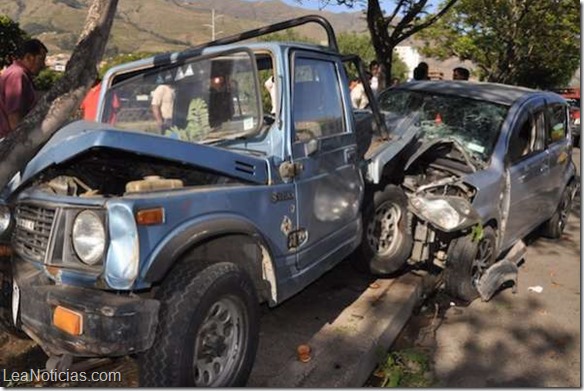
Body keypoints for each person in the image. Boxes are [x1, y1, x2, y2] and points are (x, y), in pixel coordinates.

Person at [0, 39, 47, 137]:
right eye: (41, 59)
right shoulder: (17, 75)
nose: (43, 65)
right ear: (29, 57)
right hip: (8, 140)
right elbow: (14, 115)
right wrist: (22, 143)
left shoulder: (16, 73)